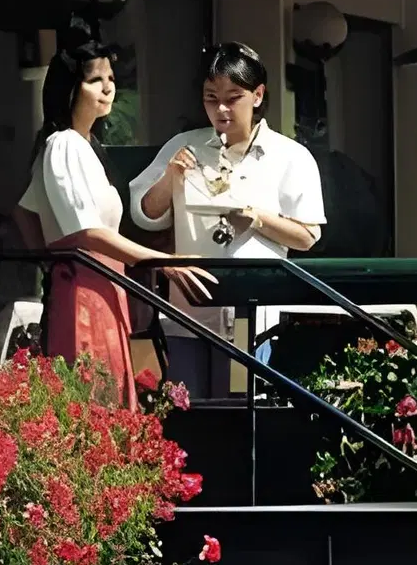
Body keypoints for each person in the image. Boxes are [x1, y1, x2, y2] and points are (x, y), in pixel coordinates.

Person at [17, 40, 216, 408]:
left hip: (101, 283)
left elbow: (27, 210)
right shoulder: (63, 145)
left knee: (107, 397)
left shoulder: (83, 144)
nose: (108, 87)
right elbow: (87, 232)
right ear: (71, 87)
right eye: (95, 79)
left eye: (111, 78)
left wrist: (49, 259)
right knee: (93, 401)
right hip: (83, 286)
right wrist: (164, 263)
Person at [130, 42, 325, 397]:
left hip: (254, 315)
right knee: (187, 411)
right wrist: (171, 176)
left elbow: (308, 235)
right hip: (190, 312)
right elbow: (145, 214)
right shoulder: (184, 146)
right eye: (210, 98)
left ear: (257, 95)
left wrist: (257, 218)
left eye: (233, 97)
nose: (221, 109)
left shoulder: (289, 156)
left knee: (244, 408)